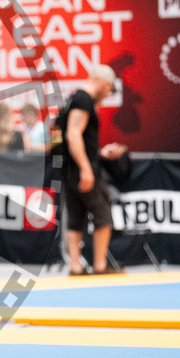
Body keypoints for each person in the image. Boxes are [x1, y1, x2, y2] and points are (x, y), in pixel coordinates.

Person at [54, 65, 127, 276]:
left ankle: (75, 266)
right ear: (105, 83)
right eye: (110, 90)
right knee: (102, 212)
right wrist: (87, 168)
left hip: (70, 167)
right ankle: (100, 265)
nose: (108, 94)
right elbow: (73, 135)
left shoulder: (72, 99)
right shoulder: (84, 100)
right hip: (81, 167)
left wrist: (100, 153)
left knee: (76, 213)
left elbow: (71, 137)